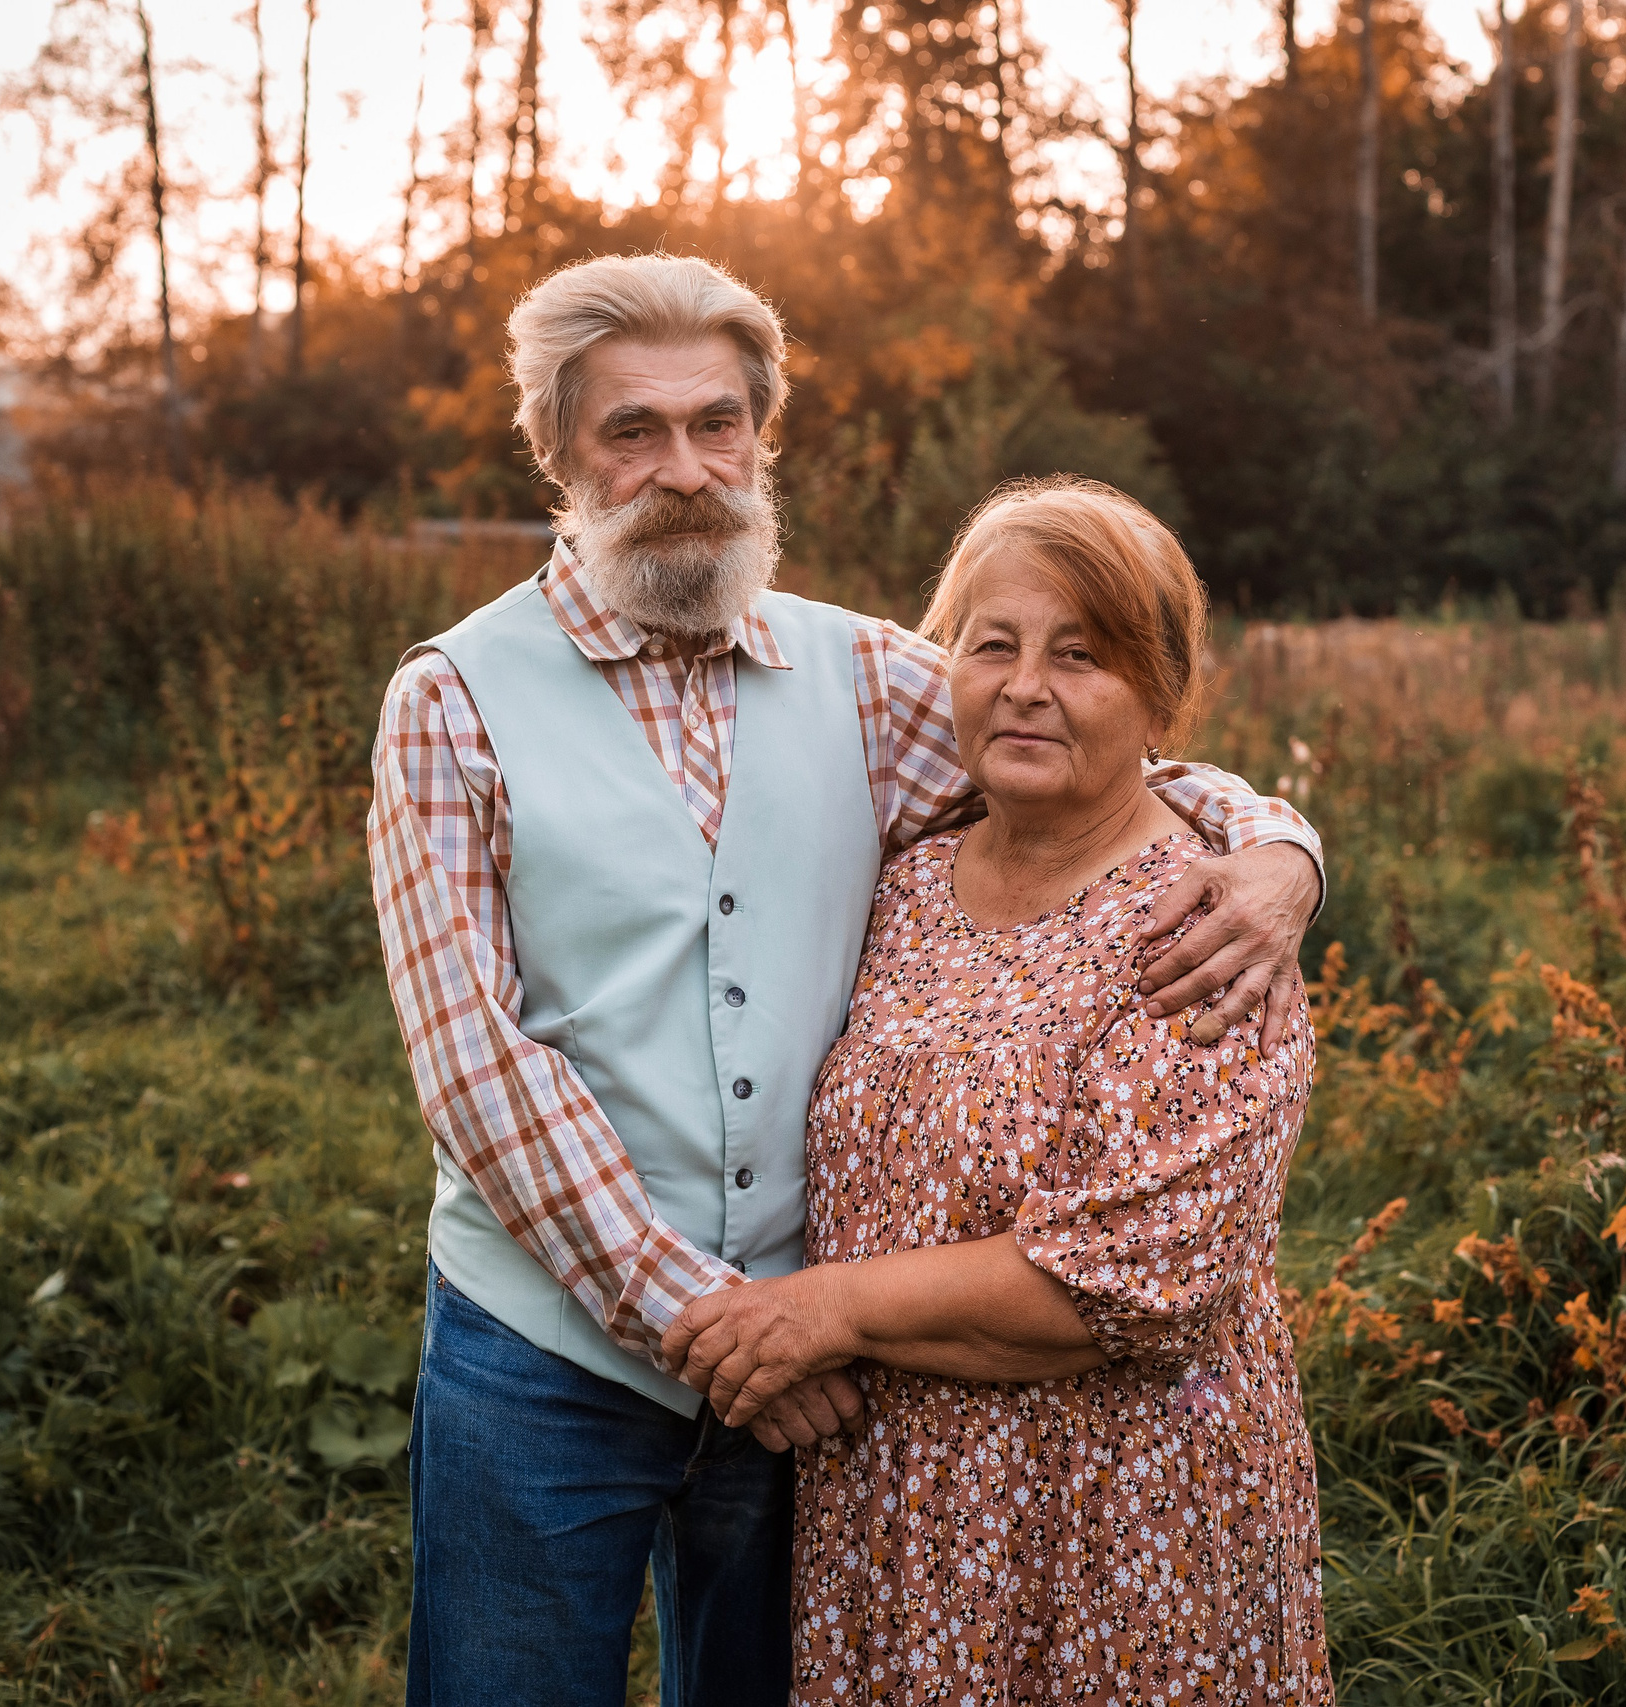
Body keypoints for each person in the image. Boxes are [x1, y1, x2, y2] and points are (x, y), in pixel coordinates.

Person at [366, 255, 1326, 1707]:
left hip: (811, 1349)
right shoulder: (453, 697)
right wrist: (719, 1326)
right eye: (633, 429)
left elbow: (1104, 750)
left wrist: (1280, 854)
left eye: (716, 423)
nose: (681, 468)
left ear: (763, 439)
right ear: (559, 449)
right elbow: (479, 1070)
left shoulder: (867, 675)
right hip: (555, 1351)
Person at [664, 477, 1330, 1704]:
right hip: (894, 1505)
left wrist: (823, 1312)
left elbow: (1135, 1279)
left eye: (1081, 655)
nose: (1026, 685)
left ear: (1158, 695)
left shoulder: (1208, 925)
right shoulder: (903, 878)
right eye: (993, 645)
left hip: (1117, 1520)